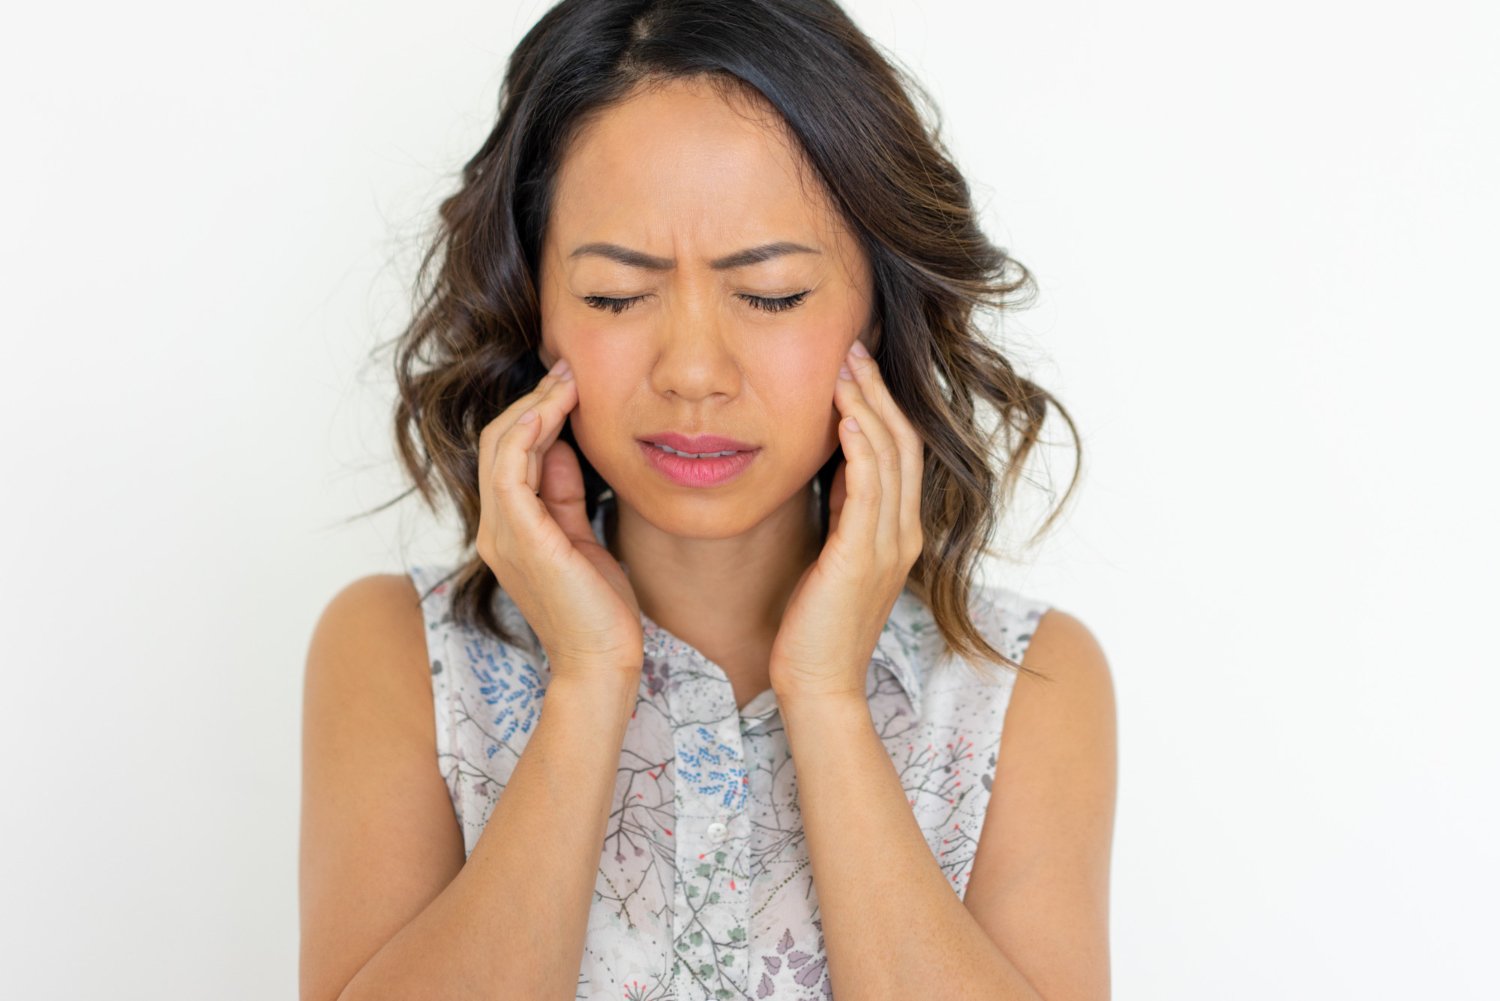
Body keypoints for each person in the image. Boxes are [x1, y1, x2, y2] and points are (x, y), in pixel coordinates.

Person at [300, 1, 1117, 999]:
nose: (693, 370)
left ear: (879, 307)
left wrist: (826, 700)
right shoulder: (400, 656)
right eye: (613, 295)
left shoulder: (1020, 686)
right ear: (537, 310)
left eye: (770, 293)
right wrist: (589, 679)